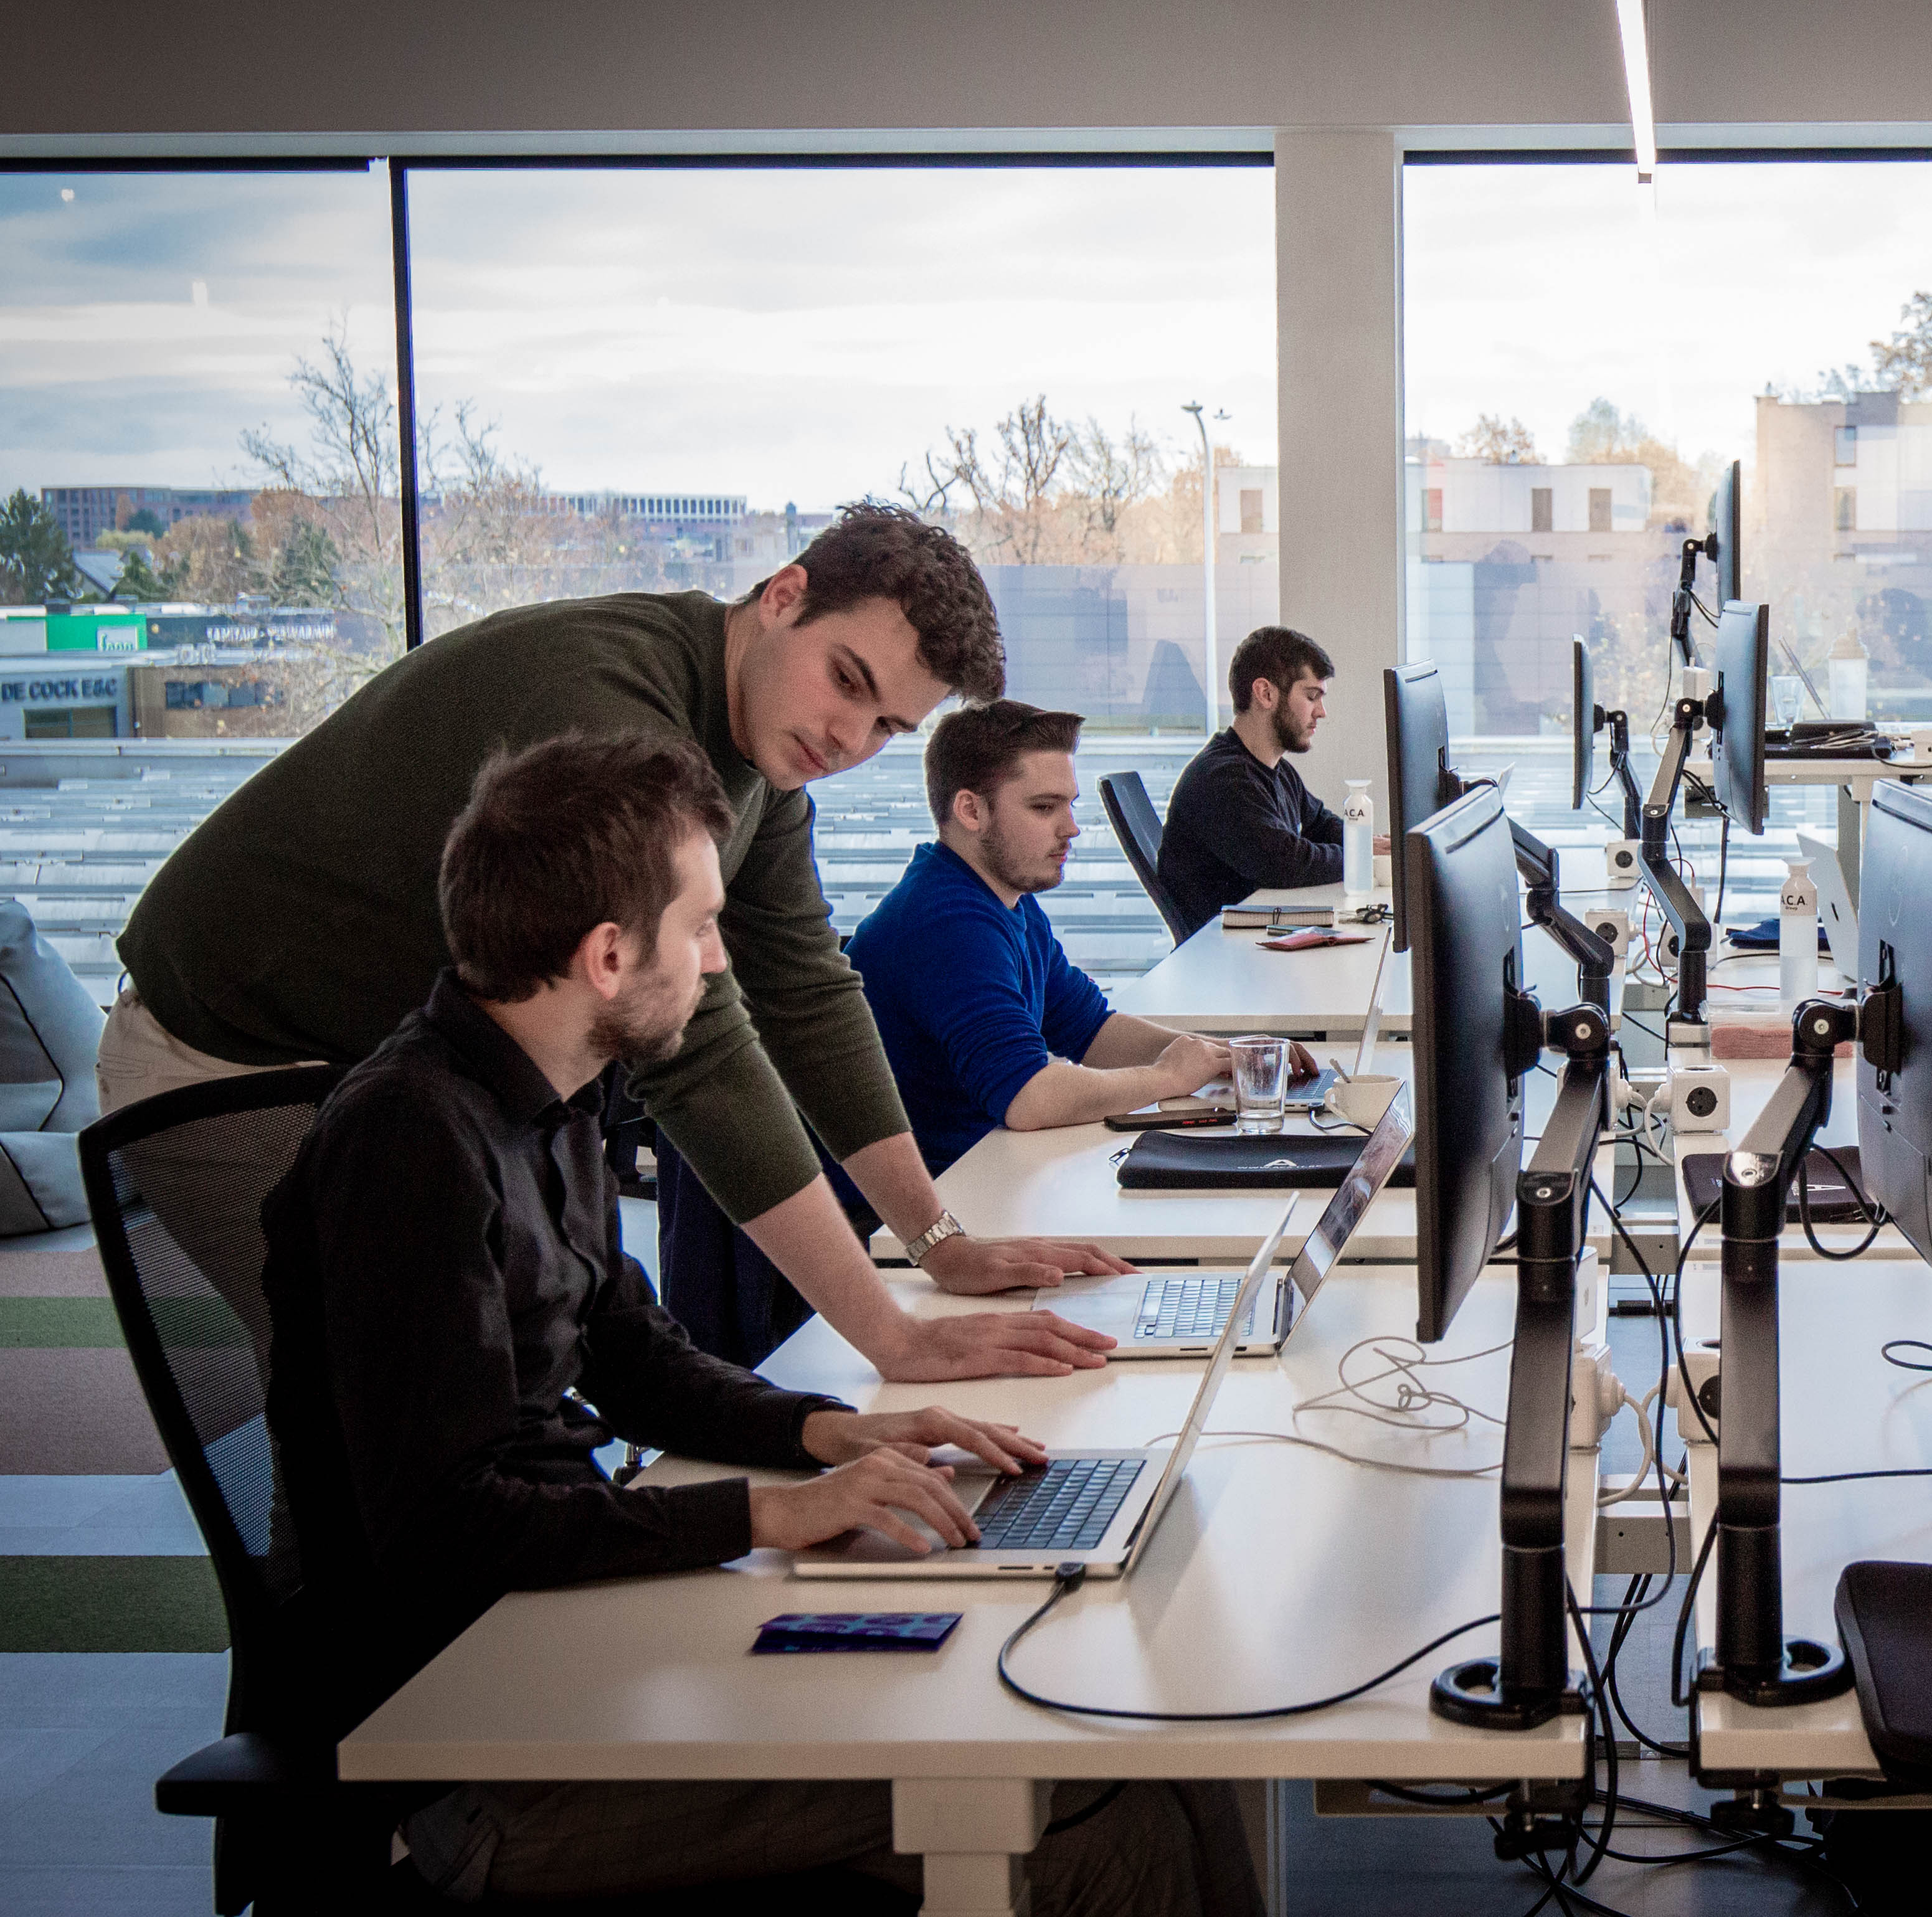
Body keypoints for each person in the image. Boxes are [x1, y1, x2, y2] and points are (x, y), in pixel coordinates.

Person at [260, 730, 1253, 1910]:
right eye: (702, 928)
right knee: (1092, 1799)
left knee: (1155, 1755)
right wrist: (775, 1511)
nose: (720, 961)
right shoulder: (412, 1143)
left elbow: (635, 1361)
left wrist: (834, 1436)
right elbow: (447, 1528)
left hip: (568, 1639)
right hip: (479, 1757)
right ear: (611, 954)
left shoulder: (545, 1096)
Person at [103, 503, 1127, 1381]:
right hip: (235, 1051)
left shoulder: (764, 761)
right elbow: (700, 1052)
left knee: (509, 1390)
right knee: (375, 1422)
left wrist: (935, 1242)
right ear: (782, 596)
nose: (850, 741)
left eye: (887, 729)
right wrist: (889, 1334)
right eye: (847, 680)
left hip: (399, 1071)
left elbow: (806, 993)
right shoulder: (612, 714)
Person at [852, 701, 1241, 1168]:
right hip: (901, 1220)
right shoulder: (945, 920)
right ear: (971, 810)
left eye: (1069, 805)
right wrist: (1167, 1077)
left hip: (980, 1177)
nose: (1072, 828)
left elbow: (1090, 1029)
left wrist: (1226, 1056)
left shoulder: (1007, 898)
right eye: (1044, 807)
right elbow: (1028, 1097)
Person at [1155, 625, 1343, 935]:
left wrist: (1369, 844)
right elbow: (1288, 863)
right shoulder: (1222, 780)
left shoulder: (1277, 771)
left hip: (1257, 946)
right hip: (1229, 961)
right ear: (1266, 694)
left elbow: (1322, 825)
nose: (1321, 712)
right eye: (1312, 697)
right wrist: (1359, 856)